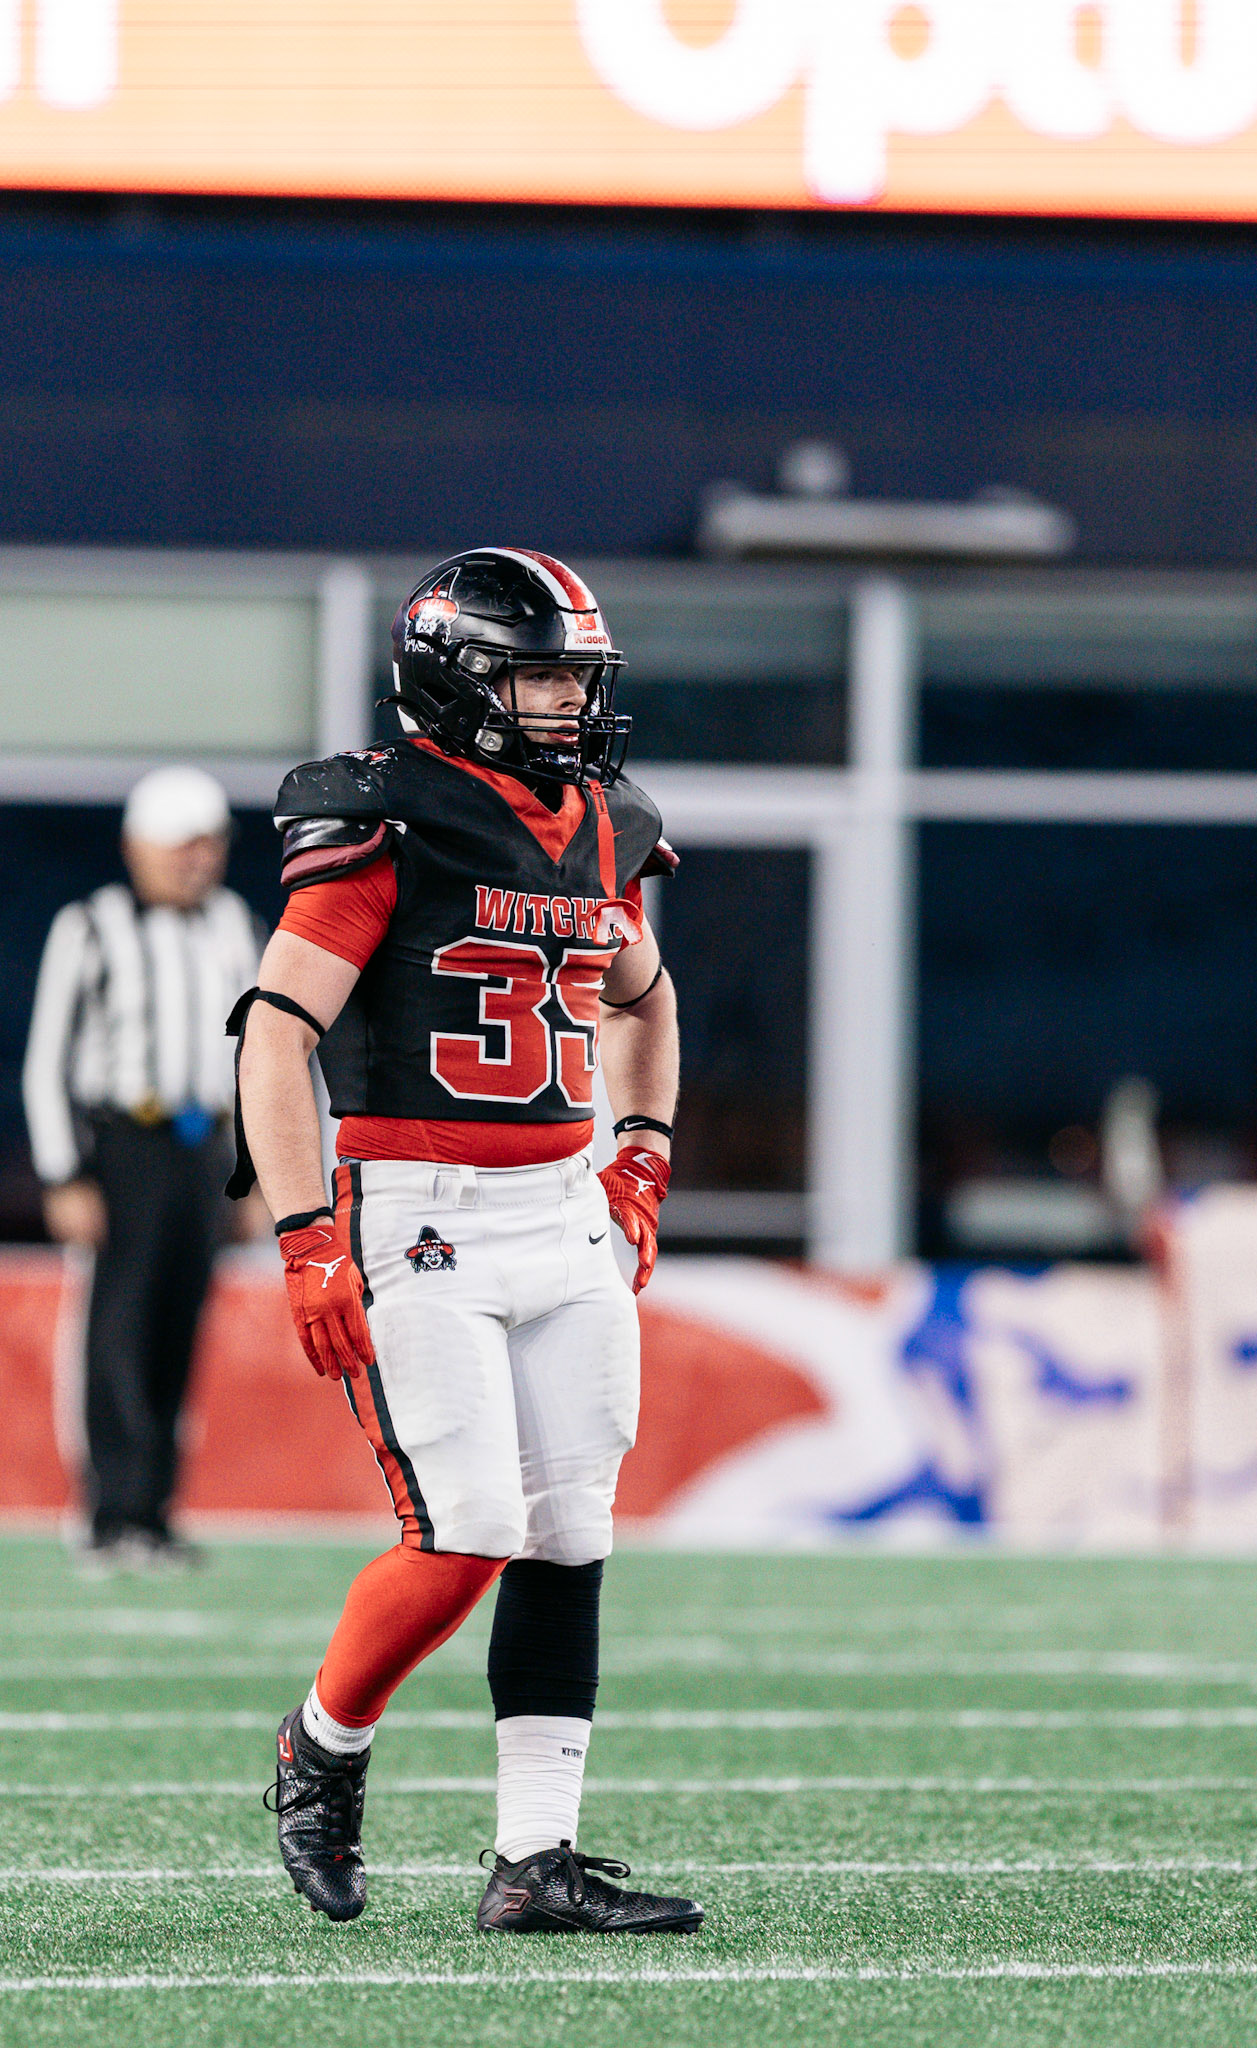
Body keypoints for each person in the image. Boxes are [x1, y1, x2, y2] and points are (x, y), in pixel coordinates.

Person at [234, 547, 702, 1935]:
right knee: (468, 1526)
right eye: (540, 676)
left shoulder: (608, 824)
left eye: (577, 677)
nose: (570, 704)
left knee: (570, 1525)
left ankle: (535, 1859)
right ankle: (322, 1745)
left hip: (562, 1211)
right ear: (457, 682)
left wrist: (642, 1149)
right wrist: (304, 1235)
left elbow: (645, 997)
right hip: (417, 1209)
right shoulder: (394, 814)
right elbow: (274, 1035)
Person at [22, 766, 262, 1568]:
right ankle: (111, 1511)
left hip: (204, 1148)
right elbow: (47, 1061)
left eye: (208, 844)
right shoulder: (91, 925)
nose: (197, 860)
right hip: (127, 1145)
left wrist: (255, 1174)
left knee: (178, 1329)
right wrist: (64, 1174)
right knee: (117, 1328)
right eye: (180, 845)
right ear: (138, 847)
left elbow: (260, 1060)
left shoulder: (236, 924)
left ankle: (154, 1510)